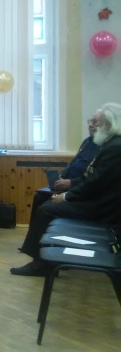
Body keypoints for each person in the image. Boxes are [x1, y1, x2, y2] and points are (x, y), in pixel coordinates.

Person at [11, 103, 121, 276]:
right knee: (44, 202)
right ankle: (43, 257)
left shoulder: (115, 147)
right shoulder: (110, 144)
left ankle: (41, 265)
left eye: (98, 123)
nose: (94, 126)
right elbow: (90, 178)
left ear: (109, 124)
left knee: (46, 210)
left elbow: (95, 182)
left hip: (101, 208)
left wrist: (66, 196)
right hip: (97, 200)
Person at [29, 114, 101, 216]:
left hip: (79, 189)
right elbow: (73, 162)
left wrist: (70, 183)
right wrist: (61, 176)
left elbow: (91, 178)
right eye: (90, 121)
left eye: (95, 122)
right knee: (39, 197)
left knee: (45, 207)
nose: (90, 125)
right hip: (67, 185)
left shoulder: (102, 148)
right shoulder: (87, 142)